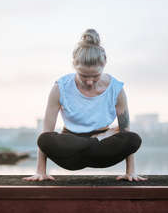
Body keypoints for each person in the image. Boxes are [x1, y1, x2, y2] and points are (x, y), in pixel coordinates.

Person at [23, 29, 146, 182]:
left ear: (104, 63)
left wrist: (130, 172)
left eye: (95, 76)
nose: (89, 82)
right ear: (74, 65)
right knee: (44, 139)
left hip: (102, 154)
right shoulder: (60, 87)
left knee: (133, 139)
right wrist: (40, 171)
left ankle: (97, 140)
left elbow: (125, 131)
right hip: (70, 152)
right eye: (83, 76)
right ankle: (96, 140)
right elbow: (47, 132)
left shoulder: (116, 89)